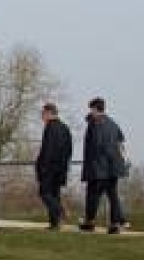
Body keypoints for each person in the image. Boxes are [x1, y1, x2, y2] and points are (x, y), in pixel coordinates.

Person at [79, 97, 129, 233]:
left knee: (92, 195)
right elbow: (121, 141)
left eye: (91, 109)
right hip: (114, 165)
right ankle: (115, 223)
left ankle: (90, 222)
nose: (91, 112)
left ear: (95, 109)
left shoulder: (96, 124)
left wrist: (94, 168)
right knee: (112, 196)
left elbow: (96, 145)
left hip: (100, 166)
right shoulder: (112, 123)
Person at [35, 102, 73, 230]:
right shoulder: (65, 128)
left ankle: (60, 211)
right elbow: (69, 149)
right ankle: (55, 223)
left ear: (49, 113)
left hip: (49, 168)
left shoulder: (50, 127)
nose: (41, 116)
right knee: (55, 194)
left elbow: (48, 149)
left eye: (43, 113)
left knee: (44, 193)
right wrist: (64, 165)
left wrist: (43, 167)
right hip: (61, 168)